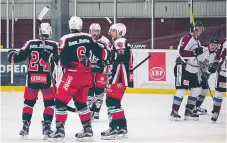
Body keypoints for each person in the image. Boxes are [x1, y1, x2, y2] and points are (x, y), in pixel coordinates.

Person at [49, 16, 110, 142]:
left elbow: (62, 61)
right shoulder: (88, 38)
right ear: (81, 26)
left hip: (72, 75)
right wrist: (106, 60)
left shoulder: (64, 39)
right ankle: (88, 131)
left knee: (60, 102)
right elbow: (101, 52)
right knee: (81, 103)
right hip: (86, 75)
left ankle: (59, 132)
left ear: (70, 27)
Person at [7, 23, 58, 139]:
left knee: (28, 103)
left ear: (39, 32)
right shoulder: (54, 45)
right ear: (49, 32)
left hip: (31, 80)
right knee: (49, 104)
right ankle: (46, 127)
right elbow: (60, 60)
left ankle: (25, 125)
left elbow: (15, 58)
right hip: (47, 80)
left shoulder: (30, 43)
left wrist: (11, 54)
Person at [101, 23, 134, 140]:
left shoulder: (120, 41)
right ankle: (121, 128)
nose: (111, 33)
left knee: (111, 101)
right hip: (118, 75)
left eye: (114, 31)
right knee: (114, 102)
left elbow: (119, 55)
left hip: (119, 76)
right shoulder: (119, 42)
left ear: (120, 32)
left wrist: (108, 59)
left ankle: (115, 128)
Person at [170, 21, 204, 121]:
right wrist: (195, 52)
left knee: (197, 89)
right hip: (182, 67)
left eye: (202, 29)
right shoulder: (186, 38)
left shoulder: (197, 41)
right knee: (181, 90)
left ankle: (188, 111)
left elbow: (196, 56)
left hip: (192, 69)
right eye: (199, 28)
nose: (201, 31)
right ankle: (174, 112)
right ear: (194, 29)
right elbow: (181, 52)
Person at [87, 23, 111, 120]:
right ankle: (90, 110)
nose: (94, 33)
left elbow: (109, 54)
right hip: (89, 70)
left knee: (99, 91)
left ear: (99, 32)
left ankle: (96, 111)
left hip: (101, 70)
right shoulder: (87, 39)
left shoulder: (105, 41)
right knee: (89, 90)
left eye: (96, 31)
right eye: (92, 31)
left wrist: (105, 62)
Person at [194, 36, 220, 115]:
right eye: (212, 44)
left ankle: (197, 106)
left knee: (205, 90)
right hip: (194, 72)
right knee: (196, 90)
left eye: (215, 45)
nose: (213, 46)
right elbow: (192, 56)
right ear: (209, 44)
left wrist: (207, 73)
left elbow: (213, 68)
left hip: (204, 74)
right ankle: (191, 107)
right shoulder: (202, 49)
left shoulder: (216, 55)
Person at [210, 38, 226, 123]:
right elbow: (218, 55)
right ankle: (216, 112)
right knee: (219, 93)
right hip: (223, 73)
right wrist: (215, 63)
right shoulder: (224, 41)